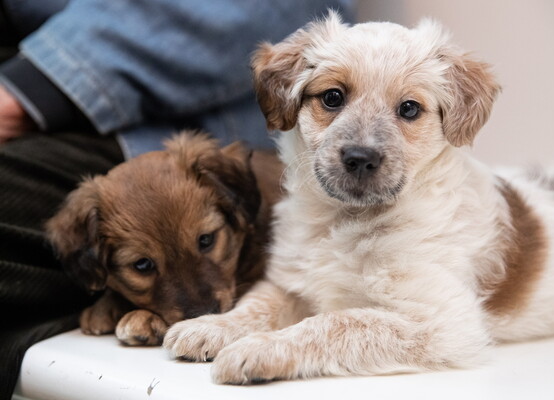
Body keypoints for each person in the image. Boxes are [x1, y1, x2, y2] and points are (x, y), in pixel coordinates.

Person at [0, 0, 355, 397]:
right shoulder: (93, 223)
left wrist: (32, 87)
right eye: (143, 266)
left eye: (206, 242)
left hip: (93, 86)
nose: (198, 302)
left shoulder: (227, 187)